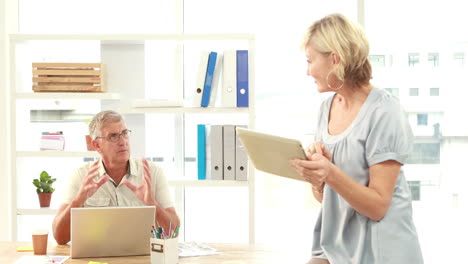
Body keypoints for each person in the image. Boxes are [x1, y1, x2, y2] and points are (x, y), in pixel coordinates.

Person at [289, 14, 423, 263]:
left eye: (310, 61)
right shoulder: (326, 109)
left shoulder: (384, 111)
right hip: (336, 249)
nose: (307, 72)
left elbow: (378, 206)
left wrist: (329, 172)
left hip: (381, 252)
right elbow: (327, 199)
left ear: (335, 59)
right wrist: (317, 180)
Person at [52, 110, 179, 245]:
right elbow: (60, 237)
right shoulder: (81, 176)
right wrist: (78, 200)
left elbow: (174, 232)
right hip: (98, 258)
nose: (123, 141)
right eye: (113, 136)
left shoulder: (152, 172)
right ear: (96, 145)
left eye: (124, 133)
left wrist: (152, 204)